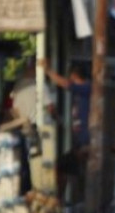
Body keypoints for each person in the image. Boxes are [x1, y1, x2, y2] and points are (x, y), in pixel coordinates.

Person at [39, 60, 91, 203]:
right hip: (79, 143)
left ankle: (62, 200)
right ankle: (63, 200)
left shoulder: (86, 88)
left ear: (74, 75)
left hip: (85, 142)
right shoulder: (81, 91)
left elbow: (65, 84)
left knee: (65, 167)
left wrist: (48, 70)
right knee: (66, 168)